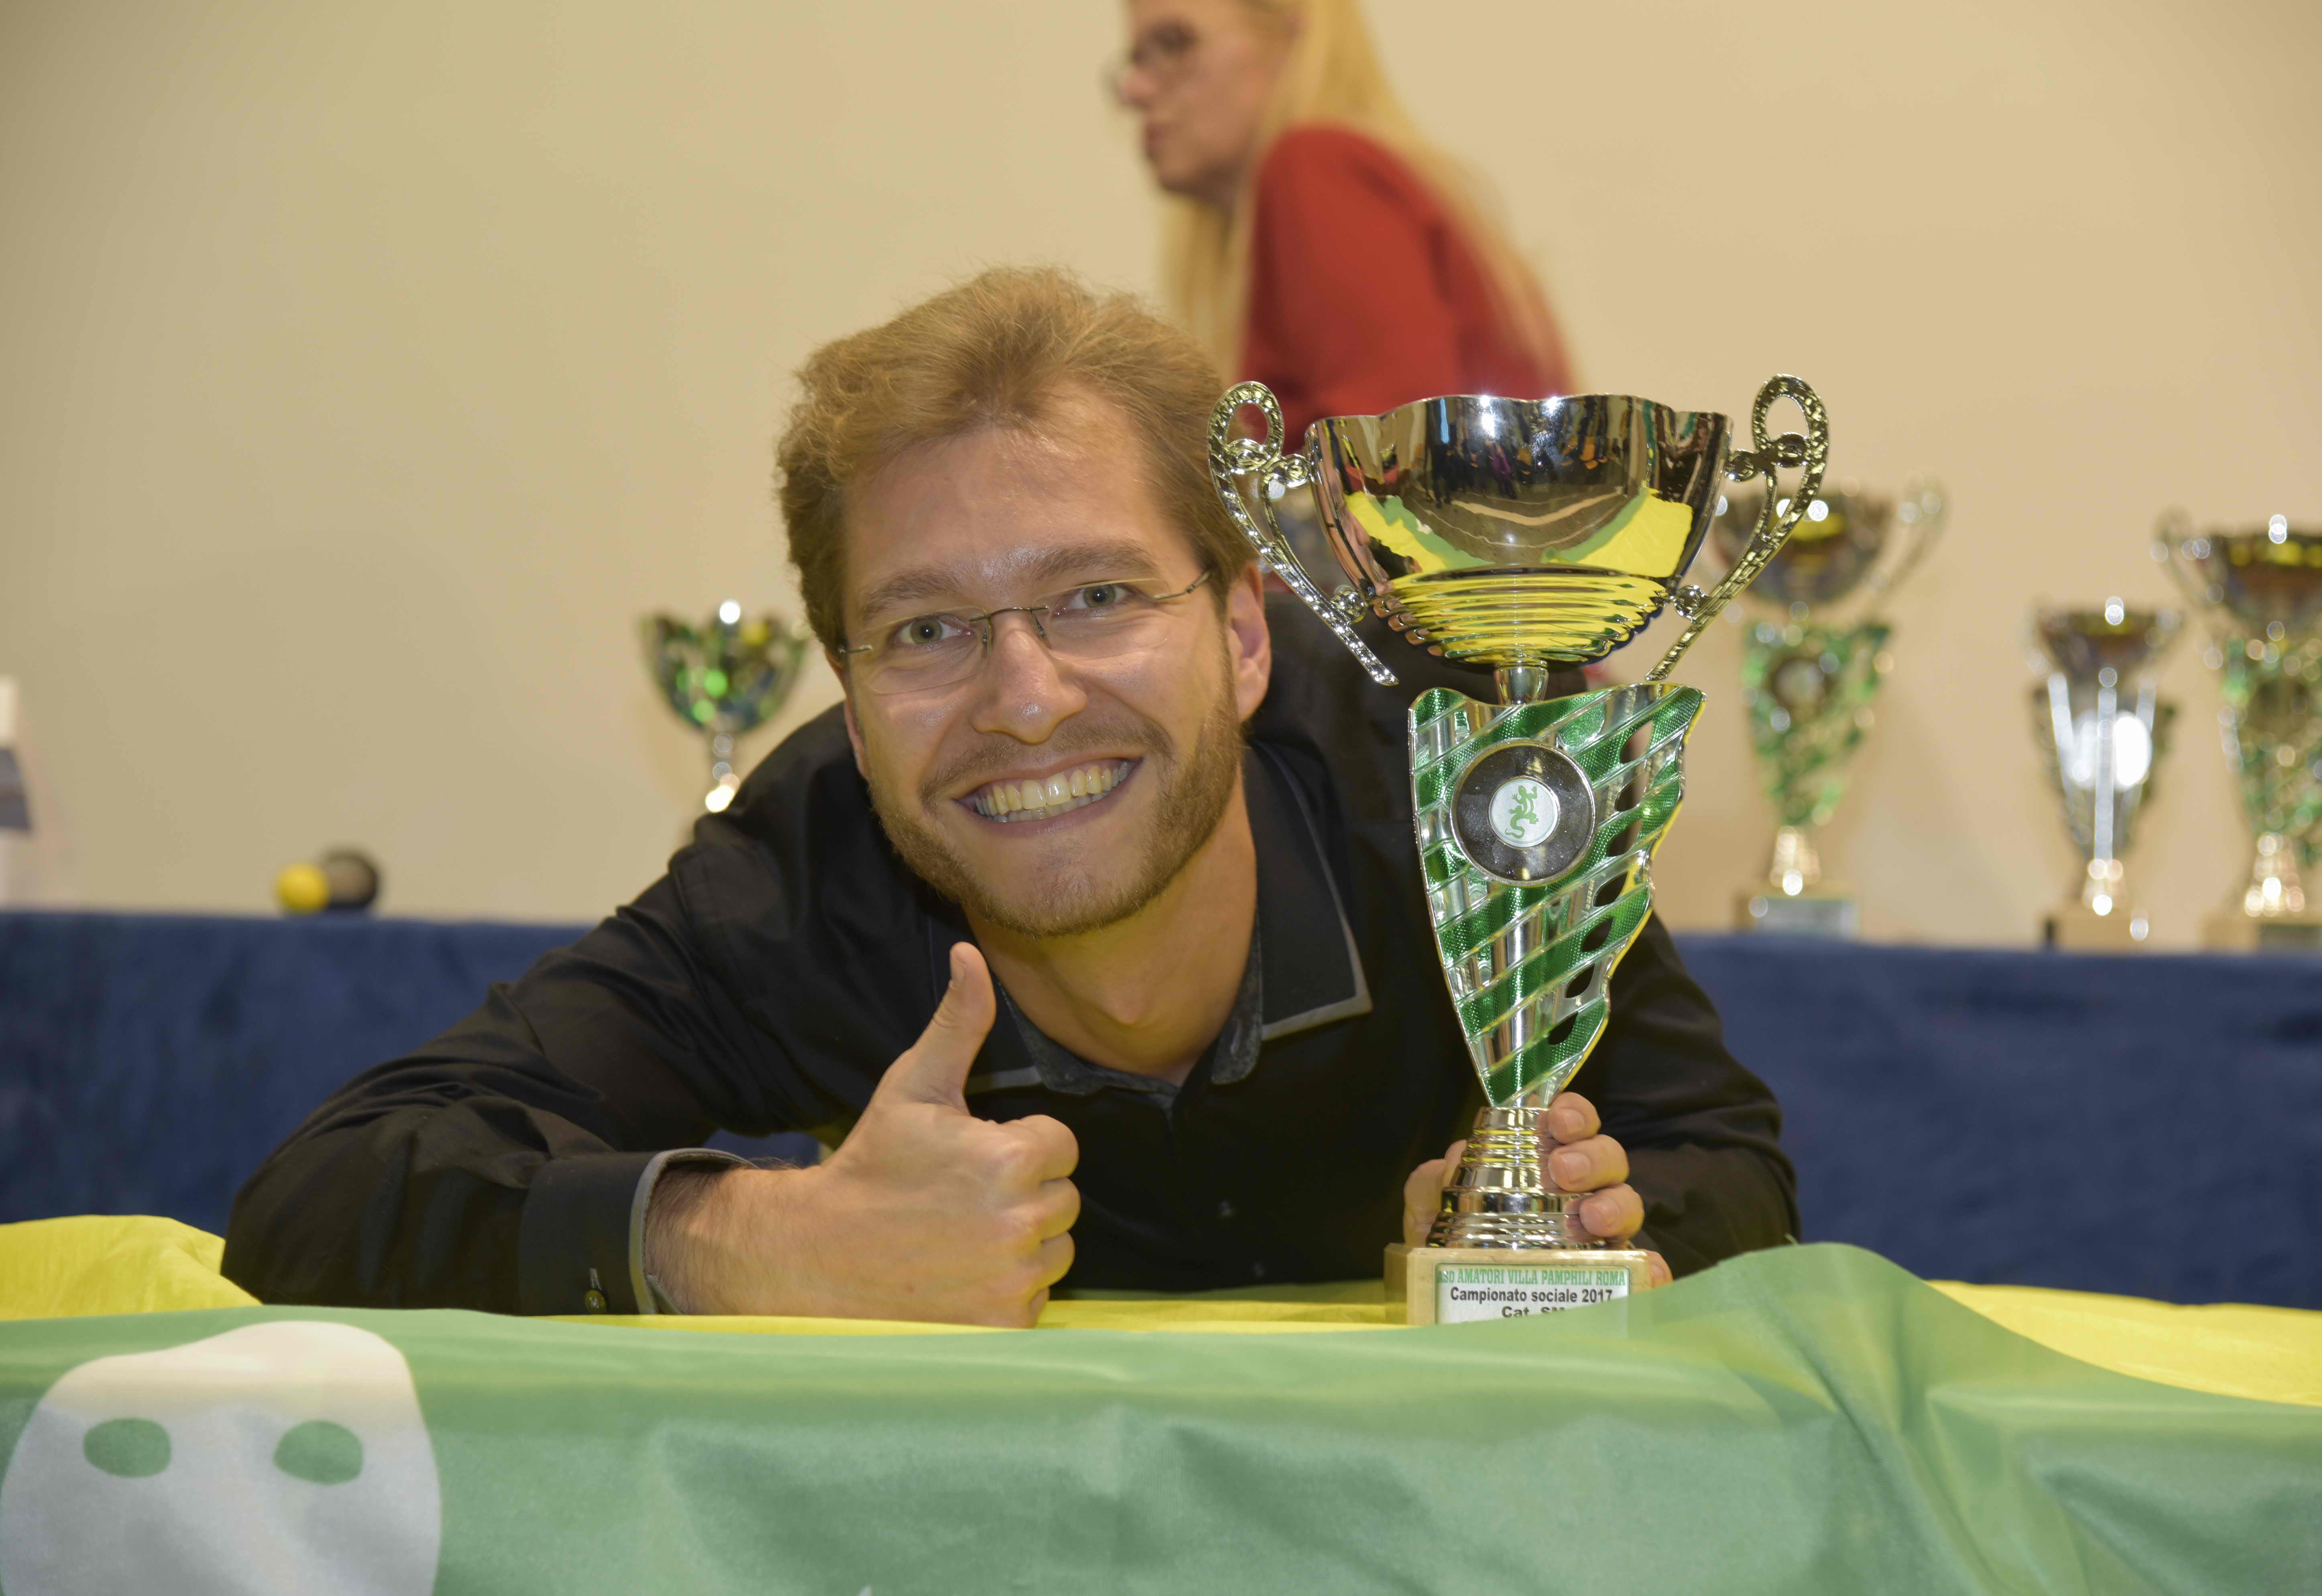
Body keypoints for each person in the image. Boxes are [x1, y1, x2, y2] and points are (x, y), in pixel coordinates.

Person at [224, 268, 1795, 1325]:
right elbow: (320, 1195)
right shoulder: (800, 876)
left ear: (1244, 633)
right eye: (924, 629)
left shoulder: (1445, 787)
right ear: (849, 695)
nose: (1024, 697)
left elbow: (1725, 1164)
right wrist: (759, 1239)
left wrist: (1590, 1226)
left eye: (1098, 595)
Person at [1113, 0, 1570, 446]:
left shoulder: (1316, 168)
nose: (1134, 89)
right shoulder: (1348, 178)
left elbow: (1391, 459)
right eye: (1136, 59)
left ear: (1290, 31)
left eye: (1174, 43)